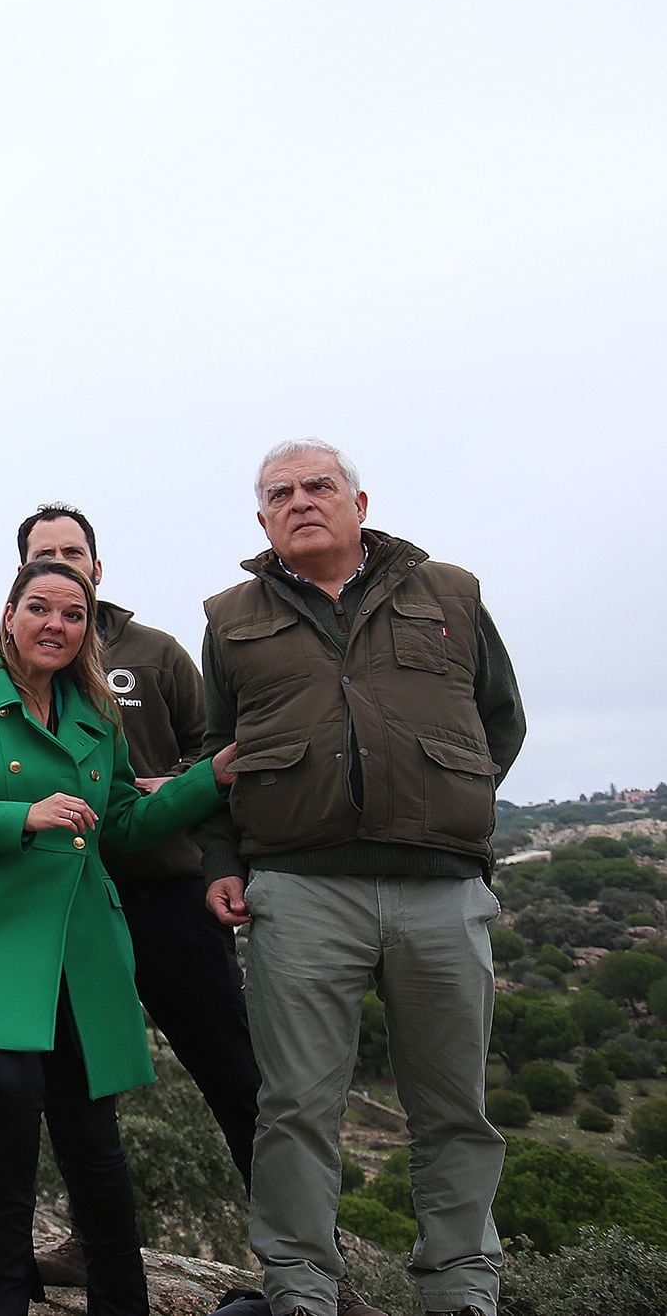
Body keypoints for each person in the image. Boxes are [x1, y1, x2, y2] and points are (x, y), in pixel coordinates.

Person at [18, 506, 380, 1316]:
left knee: (236, 1077)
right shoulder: (12, 676)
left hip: (173, 892)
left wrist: (172, 788)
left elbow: (219, 745)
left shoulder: (156, 654)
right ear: (20, 581)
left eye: (75, 554)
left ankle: (312, 1269)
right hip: (74, 906)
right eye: (46, 558)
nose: (63, 567)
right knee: (80, 1086)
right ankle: (90, 1236)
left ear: (98, 569)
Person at [198, 440, 525, 1316]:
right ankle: (300, 1289)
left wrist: (439, 804)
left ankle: (463, 1290)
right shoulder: (230, 616)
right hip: (299, 892)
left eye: (319, 487)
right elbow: (211, 756)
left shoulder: (450, 592)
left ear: (359, 500)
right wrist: (226, 864)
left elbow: (501, 720)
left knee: (455, 1106)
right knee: (297, 1106)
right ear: (261, 517)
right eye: (280, 493)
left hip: (442, 890)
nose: (302, 501)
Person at [0, 558, 235, 1316]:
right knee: (11, 1094)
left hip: (78, 938)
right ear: (10, 613)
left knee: (92, 1126)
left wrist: (208, 778)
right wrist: (23, 816)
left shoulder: (96, 713)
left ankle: (123, 1298)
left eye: (73, 614)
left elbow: (120, 823)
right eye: (40, 608)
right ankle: (4, 1294)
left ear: (87, 628)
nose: (56, 624)